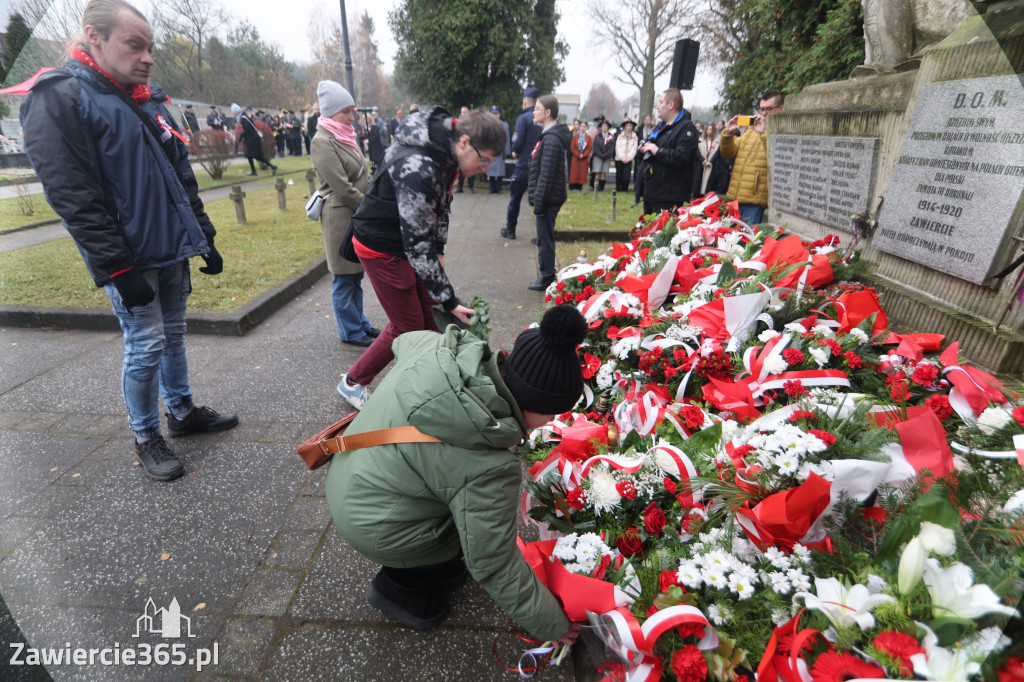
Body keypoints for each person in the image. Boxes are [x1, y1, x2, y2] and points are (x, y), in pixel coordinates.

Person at [21, 0, 238, 482]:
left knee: (175, 334)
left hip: (171, 247)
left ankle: (180, 413)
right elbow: (72, 196)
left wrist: (204, 236)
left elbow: (180, 178)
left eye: (150, 47)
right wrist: (117, 267)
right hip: (130, 255)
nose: (147, 57)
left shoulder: (147, 97)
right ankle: (145, 436)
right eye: (135, 44)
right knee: (146, 343)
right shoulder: (58, 96)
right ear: (93, 37)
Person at [325, 304, 587, 646]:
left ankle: (425, 563)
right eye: (551, 413)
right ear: (535, 403)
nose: (551, 422)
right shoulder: (488, 465)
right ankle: (399, 588)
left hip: (350, 471)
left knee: (462, 516)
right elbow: (493, 562)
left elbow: (406, 340)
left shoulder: (440, 349)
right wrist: (551, 623)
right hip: (372, 523)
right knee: (472, 533)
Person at [336, 107, 505, 409]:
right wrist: (450, 299)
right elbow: (416, 246)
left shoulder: (445, 147)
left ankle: (431, 379)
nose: (486, 169)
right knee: (407, 327)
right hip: (381, 246)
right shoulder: (421, 166)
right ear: (465, 141)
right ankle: (353, 381)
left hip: (404, 242)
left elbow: (440, 207)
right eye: (485, 160)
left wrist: (439, 250)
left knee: (431, 314)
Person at [310, 81, 380, 349]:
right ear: (331, 112)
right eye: (346, 112)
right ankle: (350, 331)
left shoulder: (344, 135)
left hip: (356, 214)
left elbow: (363, 172)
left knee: (356, 275)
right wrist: (370, 207)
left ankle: (359, 323)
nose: (352, 117)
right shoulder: (322, 141)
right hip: (341, 217)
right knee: (343, 277)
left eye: (352, 111)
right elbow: (341, 186)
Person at [720, 91, 784, 225]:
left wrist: (763, 134)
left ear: (780, 109)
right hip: (734, 198)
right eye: (762, 109)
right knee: (727, 239)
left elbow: (778, 159)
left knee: (745, 242)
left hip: (754, 201)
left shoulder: (782, 130)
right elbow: (728, 152)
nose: (764, 113)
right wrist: (728, 133)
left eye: (769, 109)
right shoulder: (751, 129)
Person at [526, 94, 570, 291]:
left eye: (537, 108)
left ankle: (546, 277)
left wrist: (539, 204)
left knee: (545, 238)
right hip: (547, 198)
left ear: (548, 112)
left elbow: (546, 175)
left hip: (547, 199)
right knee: (544, 236)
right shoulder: (548, 135)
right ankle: (547, 274)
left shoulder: (551, 139)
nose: (534, 111)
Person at [638, 88, 698, 215]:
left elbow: (682, 156)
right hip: (652, 191)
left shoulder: (686, 128)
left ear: (671, 105)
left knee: (662, 233)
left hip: (669, 195)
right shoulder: (661, 126)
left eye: (660, 102)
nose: (657, 106)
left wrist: (657, 150)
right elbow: (651, 144)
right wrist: (644, 147)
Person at [502, 87, 541, 240]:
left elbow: (517, 142)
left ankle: (510, 229)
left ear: (525, 102)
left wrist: (515, 152)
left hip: (523, 165)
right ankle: (540, 236)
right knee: (538, 201)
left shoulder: (523, 118)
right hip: (537, 166)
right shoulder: (540, 118)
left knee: (515, 199)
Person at [235, 104, 277, 176]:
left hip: (252, 139)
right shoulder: (245, 116)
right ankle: (257, 170)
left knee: (252, 155)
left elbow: (247, 130)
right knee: (252, 155)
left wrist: (241, 136)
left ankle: (269, 167)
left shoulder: (244, 118)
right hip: (253, 139)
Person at [485, 105, 510, 194]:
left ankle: (499, 188)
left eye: (496, 114)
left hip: (500, 150)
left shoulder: (504, 125)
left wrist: (506, 150)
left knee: (500, 170)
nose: (495, 115)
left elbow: (506, 138)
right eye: (493, 114)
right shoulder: (487, 125)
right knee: (490, 169)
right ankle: (492, 188)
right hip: (490, 150)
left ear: (499, 115)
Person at [454, 106, 476, 194]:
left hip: (470, 148)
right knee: (461, 169)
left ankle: (471, 187)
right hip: (461, 148)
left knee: (471, 167)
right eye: (462, 112)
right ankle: (460, 187)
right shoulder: (458, 123)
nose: (463, 114)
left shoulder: (472, 123)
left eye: (465, 112)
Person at [614, 118, 637, 193]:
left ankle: (625, 189)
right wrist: (622, 157)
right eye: (627, 125)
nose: (629, 127)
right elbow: (617, 147)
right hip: (619, 159)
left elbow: (634, 149)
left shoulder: (634, 137)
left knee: (626, 176)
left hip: (629, 159)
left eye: (630, 126)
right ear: (625, 127)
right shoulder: (620, 136)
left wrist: (628, 158)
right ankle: (619, 189)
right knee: (619, 175)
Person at [590, 119, 614, 191]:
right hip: (598, 157)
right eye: (603, 126)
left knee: (603, 173)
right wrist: (600, 155)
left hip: (607, 157)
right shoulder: (597, 136)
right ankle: (595, 187)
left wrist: (606, 155)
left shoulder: (611, 137)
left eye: (606, 126)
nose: (604, 127)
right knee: (597, 172)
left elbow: (612, 148)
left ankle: (601, 188)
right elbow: (595, 147)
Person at [568, 119, 591, 191]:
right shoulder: (575, 137)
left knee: (582, 173)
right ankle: (573, 186)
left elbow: (589, 148)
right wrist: (578, 154)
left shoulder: (588, 138)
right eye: (581, 126)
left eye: (584, 127)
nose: (582, 128)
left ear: (586, 128)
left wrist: (584, 155)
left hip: (584, 158)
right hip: (576, 157)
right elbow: (572, 148)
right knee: (574, 173)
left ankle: (580, 186)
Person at [698, 122, 719, 196]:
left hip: (710, 164)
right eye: (708, 129)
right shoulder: (700, 140)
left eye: (711, 129)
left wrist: (710, 162)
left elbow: (717, 154)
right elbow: (697, 152)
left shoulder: (716, 142)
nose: (709, 131)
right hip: (701, 164)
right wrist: (703, 161)